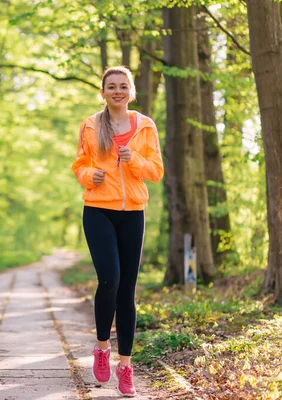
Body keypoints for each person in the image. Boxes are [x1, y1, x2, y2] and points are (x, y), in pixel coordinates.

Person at [71, 66, 164, 397]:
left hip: (132, 213)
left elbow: (156, 171)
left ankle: (125, 365)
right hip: (98, 210)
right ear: (103, 92)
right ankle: (101, 347)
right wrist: (89, 176)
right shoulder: (91, 125)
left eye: (123, 86)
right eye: (111, 86)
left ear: (131, 91)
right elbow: (80, 164)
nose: (117, 91)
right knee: (109, 280)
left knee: (127, 291)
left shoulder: (145, 126)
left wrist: (134, 160)